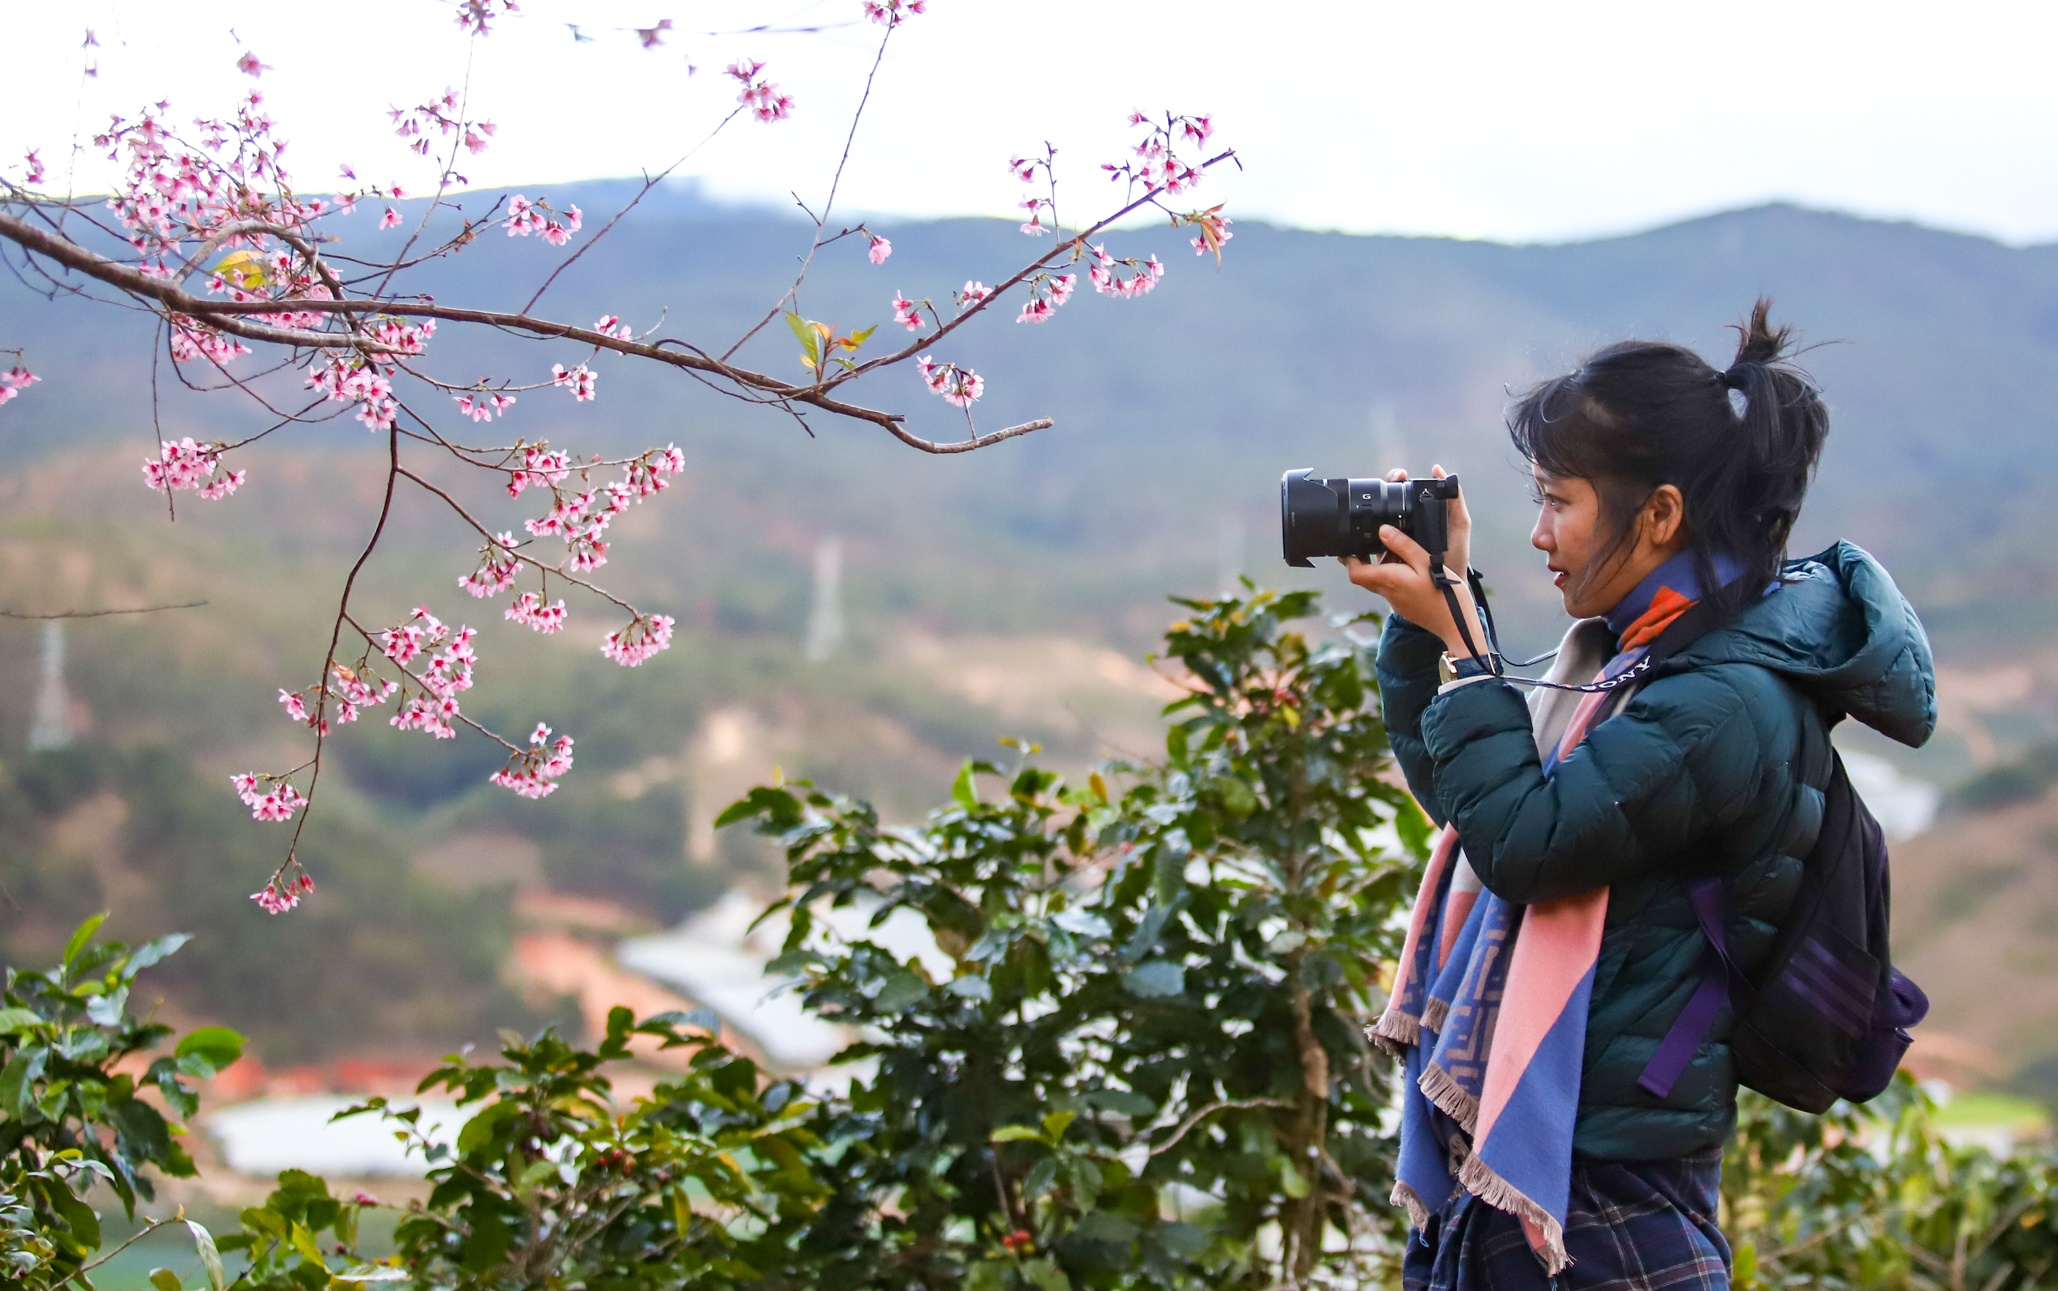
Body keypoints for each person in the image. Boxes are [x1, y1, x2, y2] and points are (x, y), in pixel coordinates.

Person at [1349, 301, 1936, 1289]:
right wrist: (1433, 628)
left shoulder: (1721, 696)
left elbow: (1531, 847)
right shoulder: (1642, 659)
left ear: (1659, 513)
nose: (1539, 533)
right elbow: (1476, 809)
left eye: (1558, 500)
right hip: (1538, 1167)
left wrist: (1462, 644)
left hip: (1602, 1193)